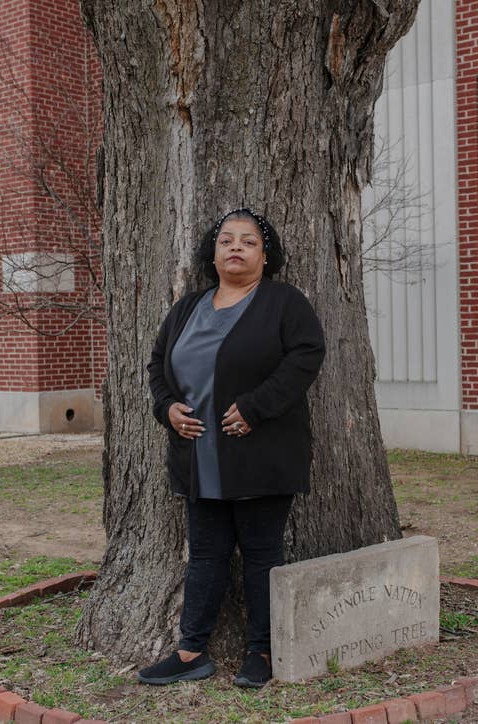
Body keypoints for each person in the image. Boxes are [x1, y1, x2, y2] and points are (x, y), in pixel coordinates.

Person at [139, 207, 326, 688]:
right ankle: (190, 652)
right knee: (205, 554)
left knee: (262, 555)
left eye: (248, 241)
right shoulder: (187, 308)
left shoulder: (284, 303)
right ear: (213, 252)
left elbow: (307, 356)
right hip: (198, 459)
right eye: (226, 240)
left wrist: (257, 406)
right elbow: (158, 365)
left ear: (265, 256)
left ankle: (262, 652)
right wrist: (167, 410)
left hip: (260, 453)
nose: (236, 247)